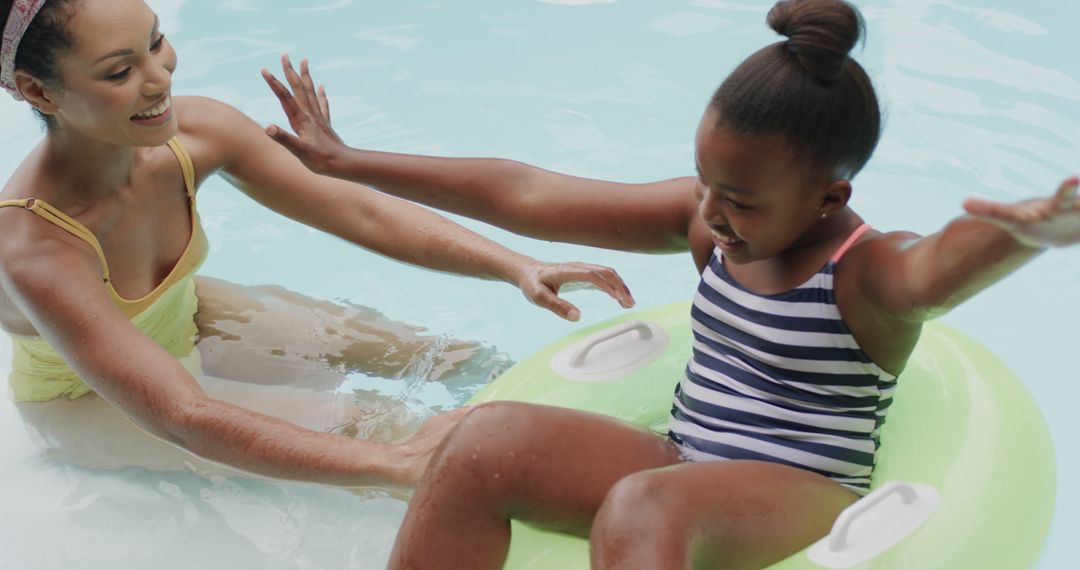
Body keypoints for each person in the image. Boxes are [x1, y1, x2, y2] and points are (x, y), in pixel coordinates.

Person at [263, 0, 1079, 566]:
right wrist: (351, 160)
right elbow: (528, 194)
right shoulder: (709, 220)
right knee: (481, 443)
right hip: (682, 459)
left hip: (803, 492)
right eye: (705, 183)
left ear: (831, 195)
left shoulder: (865, 272)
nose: (714, 215)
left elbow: (939, 268)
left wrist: (1023, 235)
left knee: (642, 508)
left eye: (743, 202)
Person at [0, 0, 635, 488]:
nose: (159, 77)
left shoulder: (194, 131)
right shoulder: (35, 250)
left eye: (157, 41)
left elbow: (355, 210)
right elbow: (182, 414)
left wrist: (516, 266)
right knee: (387, 432)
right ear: (37, 91)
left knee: (450, 356)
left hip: (193, 314)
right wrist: (397, 464)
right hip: (91, 399)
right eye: (120, 70)